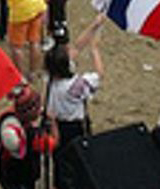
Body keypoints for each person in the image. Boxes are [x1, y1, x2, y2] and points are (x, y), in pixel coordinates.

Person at [45, 17, 104, 189]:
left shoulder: (49, 79)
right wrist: (95, 50)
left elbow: (77, 47)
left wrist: (94, 24)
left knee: (60, 164)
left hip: (56, 127)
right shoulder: (77, 85)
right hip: (75, 127)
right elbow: (100, 74)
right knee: (80, 162)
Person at [0, 85, 56, 189]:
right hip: (25, 177)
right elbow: (52, 144)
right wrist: (53, 123)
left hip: (6, 173)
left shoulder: (7, 118)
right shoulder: (33, 136)